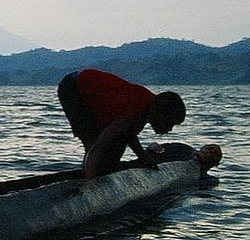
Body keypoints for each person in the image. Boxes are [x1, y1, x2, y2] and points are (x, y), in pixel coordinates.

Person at [57, 68, 186, 178]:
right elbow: (96, 149)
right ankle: (88, 177)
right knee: (92, 141)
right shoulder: (131, 115)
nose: (169, 129)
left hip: (93, 92)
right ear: (161, 114)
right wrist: (91, 185)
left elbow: (128, 134)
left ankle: (100, 172)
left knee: (117, 144)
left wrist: (143, 157)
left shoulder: (146, 108)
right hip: (73, 87)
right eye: (170, 123)